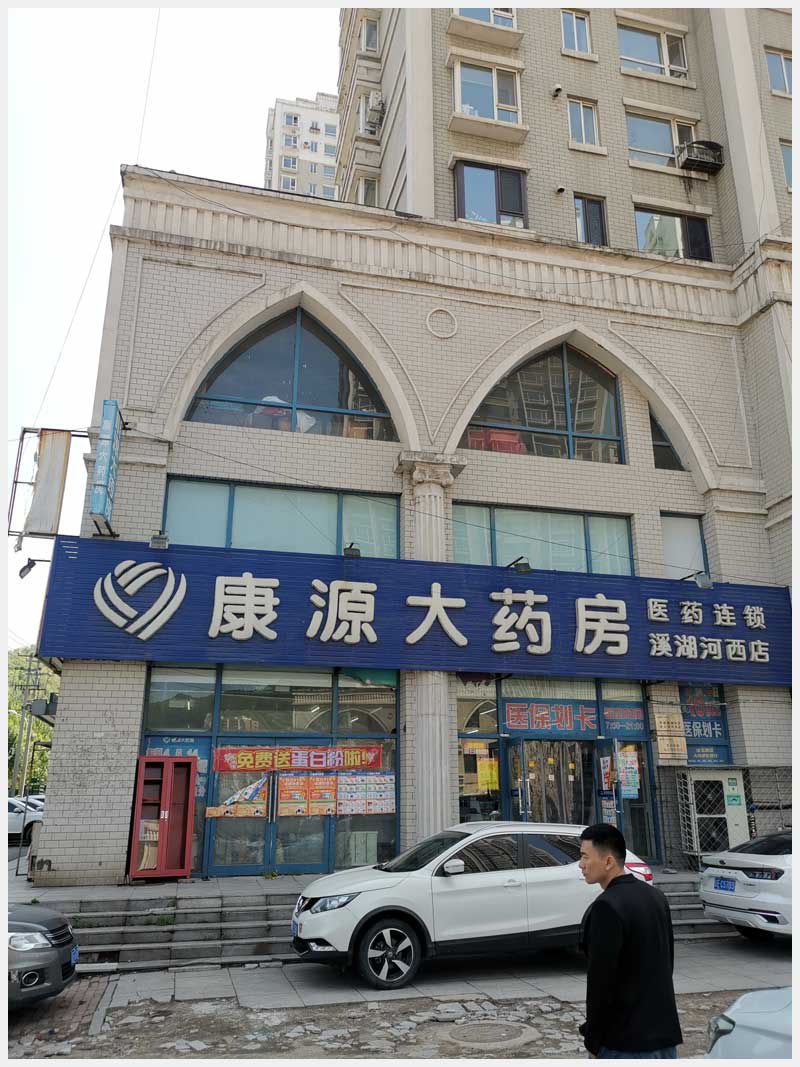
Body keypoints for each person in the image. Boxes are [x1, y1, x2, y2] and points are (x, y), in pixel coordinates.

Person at [577, 823, 682, 1059]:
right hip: (664, 1037)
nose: (581, 865)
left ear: (608, 861)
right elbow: (668, 963)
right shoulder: (656, 896)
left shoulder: (606, 906)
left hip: (625, 1042)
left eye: (585, 857)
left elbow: (600, 982)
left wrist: (593, 1039)